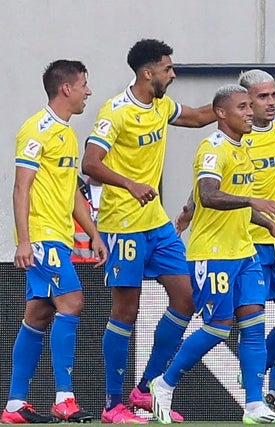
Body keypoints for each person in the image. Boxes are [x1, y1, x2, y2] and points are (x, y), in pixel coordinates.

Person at [81, 38, 217, 424]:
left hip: (156, 222)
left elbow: (196, 116)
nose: (173, 74)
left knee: (186, 298)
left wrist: (241, 103)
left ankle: (144, 389)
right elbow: (91, 162)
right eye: (168, 68)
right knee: (127, 308)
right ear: (148, 72)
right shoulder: (115, 111)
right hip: (122, 223)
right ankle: (112, 405)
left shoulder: (161, 106)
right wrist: (130, 184)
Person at [175, 69, 275, 418]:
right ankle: (255, 393)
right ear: (245, 102)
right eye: (262, 97)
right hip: (244, 241)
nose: (270, 103)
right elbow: (210, 187)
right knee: (241, 321)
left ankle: (254, 373)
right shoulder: (233, 139)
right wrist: (187, 213)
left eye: (274, 95)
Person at [150, 84, 275, 425]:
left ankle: (255, 405)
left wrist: (270, 225)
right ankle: (164, 383)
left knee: (255, 327)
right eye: (242, 106)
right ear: (221, 113)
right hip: (212, 253)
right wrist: (251, 201)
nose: (249, 112)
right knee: (218, 328)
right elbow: (209, 195)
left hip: (244, 251)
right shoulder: (213, 148)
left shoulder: (243, 148)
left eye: (250, 106)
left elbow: (239, 201)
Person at [3, 59, 107, 424]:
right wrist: (24, 241)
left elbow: (71, 192)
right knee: (73, 302)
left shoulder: (67, 133)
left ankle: (15, 404)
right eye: (84, 85)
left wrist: (93, 234)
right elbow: (21, 187)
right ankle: (64, 398)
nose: (88, 92)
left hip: (59, 238)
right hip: (43, 238)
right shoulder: (36, 130)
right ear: (66, 88)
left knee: (39, 313)